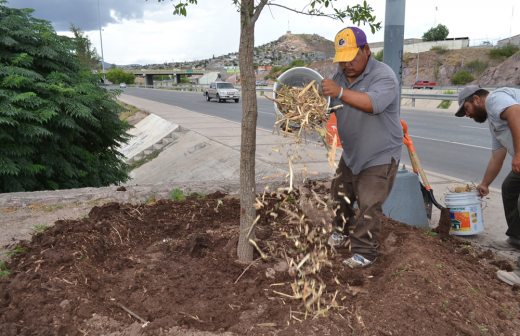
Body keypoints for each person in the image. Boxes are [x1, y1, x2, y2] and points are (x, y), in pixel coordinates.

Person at [321, 27, 402, 268]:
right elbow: (326, 105)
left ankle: (365, 252)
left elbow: (373, 104)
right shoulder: (339, 78)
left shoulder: (383, 76)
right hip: (353, 152)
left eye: (352, 58)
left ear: (366, 50)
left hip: (380, 153)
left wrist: (341, 92)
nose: (346, 65)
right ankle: (340, 232)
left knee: (369, 203)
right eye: (342, 60)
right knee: (340, 194)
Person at [455, 85, 520, 250]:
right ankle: (517, 238)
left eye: (467, 109)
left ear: (476, 99)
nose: (467, 115)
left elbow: (515, 112)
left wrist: (519, 154)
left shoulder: (494, 99)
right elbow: (497, 156)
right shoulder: (494, 121)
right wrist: (485, 184)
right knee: (509, 187)